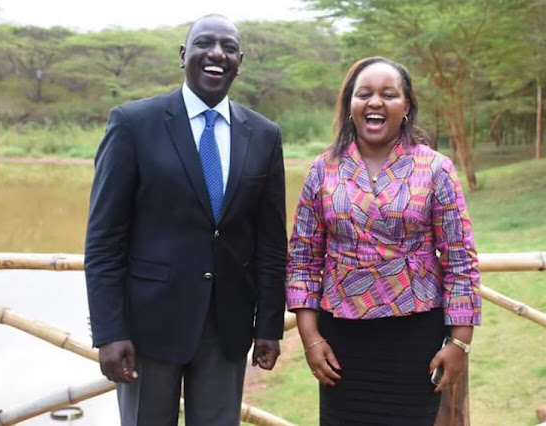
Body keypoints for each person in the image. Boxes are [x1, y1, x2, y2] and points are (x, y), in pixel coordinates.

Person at [84, 14, 287, 426]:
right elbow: (104, 240)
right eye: (204, 43)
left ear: (240, 61)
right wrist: (109, 331)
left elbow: (270, 243)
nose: (217, 54)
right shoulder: (133, 124)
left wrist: (269, 324)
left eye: (229, 47)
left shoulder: (264, 135)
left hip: (227, 329)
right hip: (147, 328)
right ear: (183, 55)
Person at [286, 56, 481, 426]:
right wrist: (310, 338)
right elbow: (302, 261)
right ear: (350, 105)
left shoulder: (435, 168)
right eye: (364, 94)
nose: (375, 102)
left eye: (388, 95)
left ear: (406, 107)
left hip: (416, 338)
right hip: (341, 343)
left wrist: (459, 342)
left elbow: (460, 260)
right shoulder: (323, 170)